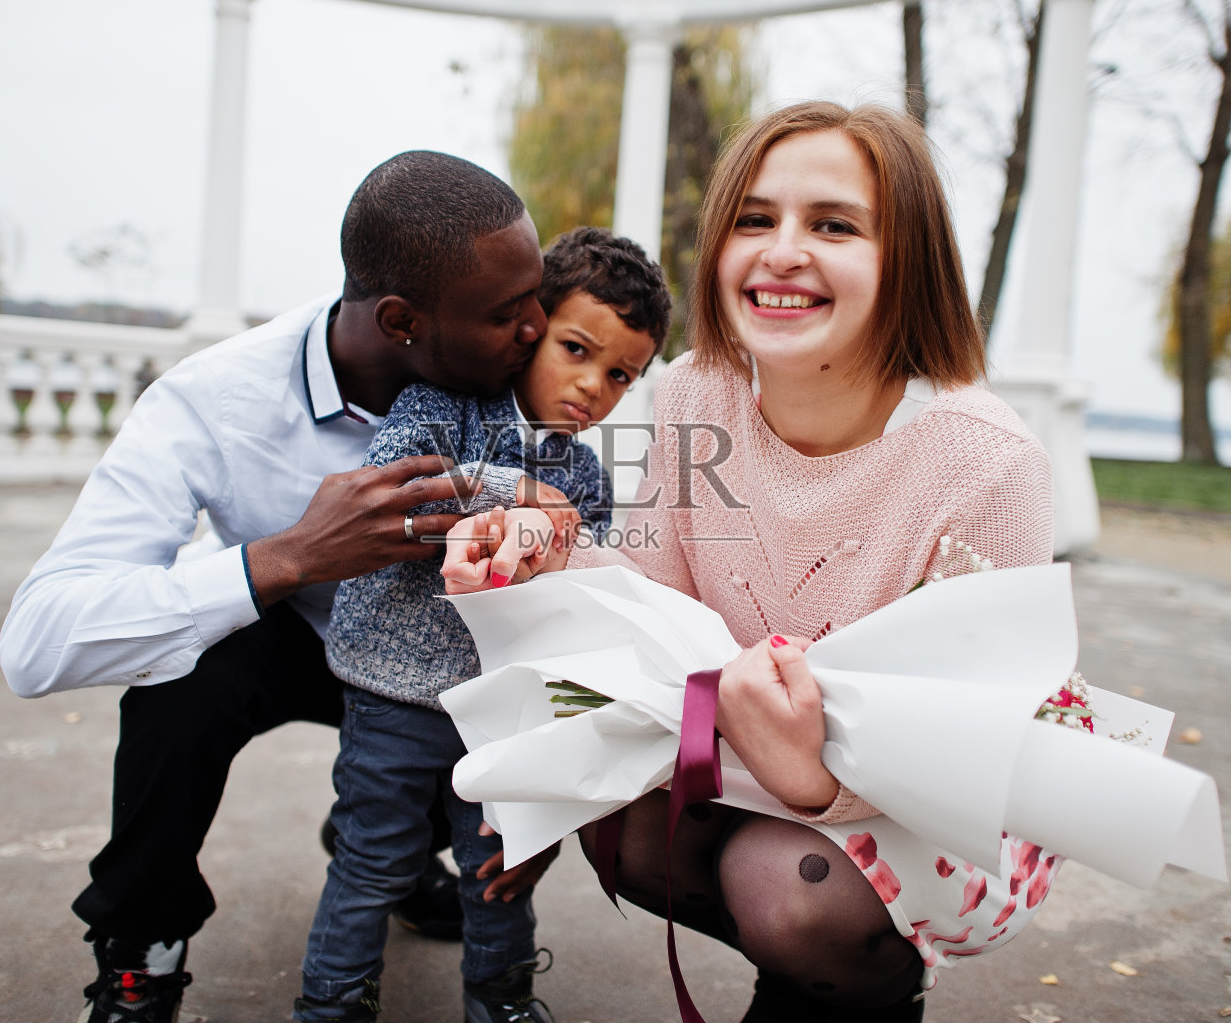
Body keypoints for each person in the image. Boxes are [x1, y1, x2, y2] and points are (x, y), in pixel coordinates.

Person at [442, 101, 1057, 1023]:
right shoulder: (696, 391)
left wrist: (815, 780)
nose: (782, 251)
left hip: (932, 808)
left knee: (789, 890)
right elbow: (653, 600)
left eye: (834, 225)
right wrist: (546, 549)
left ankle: (865, 984)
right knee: (619, 823)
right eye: (755, 218)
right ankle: (812, 980)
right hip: (746, 759)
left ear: (909, 259)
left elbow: (966, 755)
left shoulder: (986, 461)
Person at [0, 150, 555, 1023]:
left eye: (539, 299)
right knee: (178, 676)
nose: (536, 330)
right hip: (303, 636)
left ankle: (396, 845)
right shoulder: (216, 399)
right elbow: (35, 643)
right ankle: (141, 953)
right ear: (402, 318)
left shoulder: (531, 379)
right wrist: (289, 557)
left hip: (455, 665)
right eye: (505, 314)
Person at [297, 226, 670, 1023]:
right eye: (576, 349)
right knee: (374, 862)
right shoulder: (439, 405)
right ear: (531, 325)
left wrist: (560, 739)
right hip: (390, 695)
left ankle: (501, 1002)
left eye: (620, 375)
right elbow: (396, 493)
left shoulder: (585, 474)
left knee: (504, 864)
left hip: (501, 713)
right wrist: (519, 493)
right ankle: (331, 1004)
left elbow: (579, 615)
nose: (592, 386)